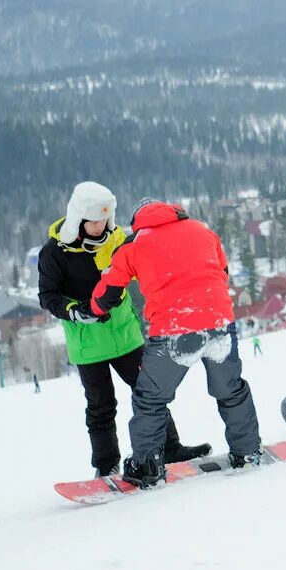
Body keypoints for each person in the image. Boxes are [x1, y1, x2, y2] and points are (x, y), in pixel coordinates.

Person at [38, 182, 209, 477]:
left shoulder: (119, 239)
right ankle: (106, 466)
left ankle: (170, 447)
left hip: (126, 336)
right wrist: (75, 311)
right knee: (101, 405)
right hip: (87, 343)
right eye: (93, 221)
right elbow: (47, 296)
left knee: (150, 393)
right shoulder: (54, 252)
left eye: (104, 219)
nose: (100, 226)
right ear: (78, 218)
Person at [89, 198, 261, 489]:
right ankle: (247, 452)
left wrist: (92, 310)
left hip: (174, 329)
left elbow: (108, 291)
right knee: (230, 390)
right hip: (219, 322)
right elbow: (223, 271)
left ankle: (146, 466)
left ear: (137, 220)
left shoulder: (134, 244)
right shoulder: (203, 230)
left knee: (151, 399)